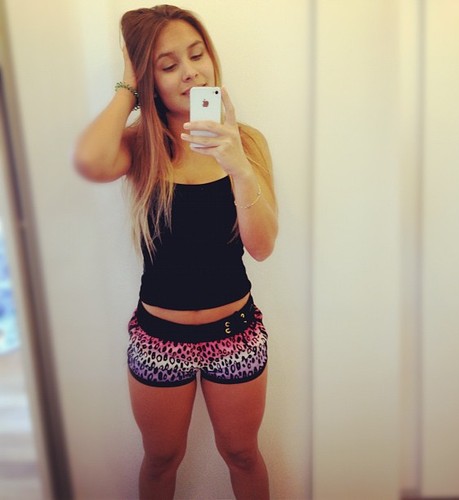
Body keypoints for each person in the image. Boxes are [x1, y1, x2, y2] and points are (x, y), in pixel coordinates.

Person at [73, 4, 278, 500]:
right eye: (168, 65)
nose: (190, 72)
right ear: (151, 79)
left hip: (235, 334)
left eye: (196, 54)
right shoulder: (141, 147)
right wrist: (128, 84)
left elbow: (262, 246)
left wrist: (237, 167)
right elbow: (89, 160)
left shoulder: (247, 144)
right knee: (162, 460)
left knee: (243, 455)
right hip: (158, 339)